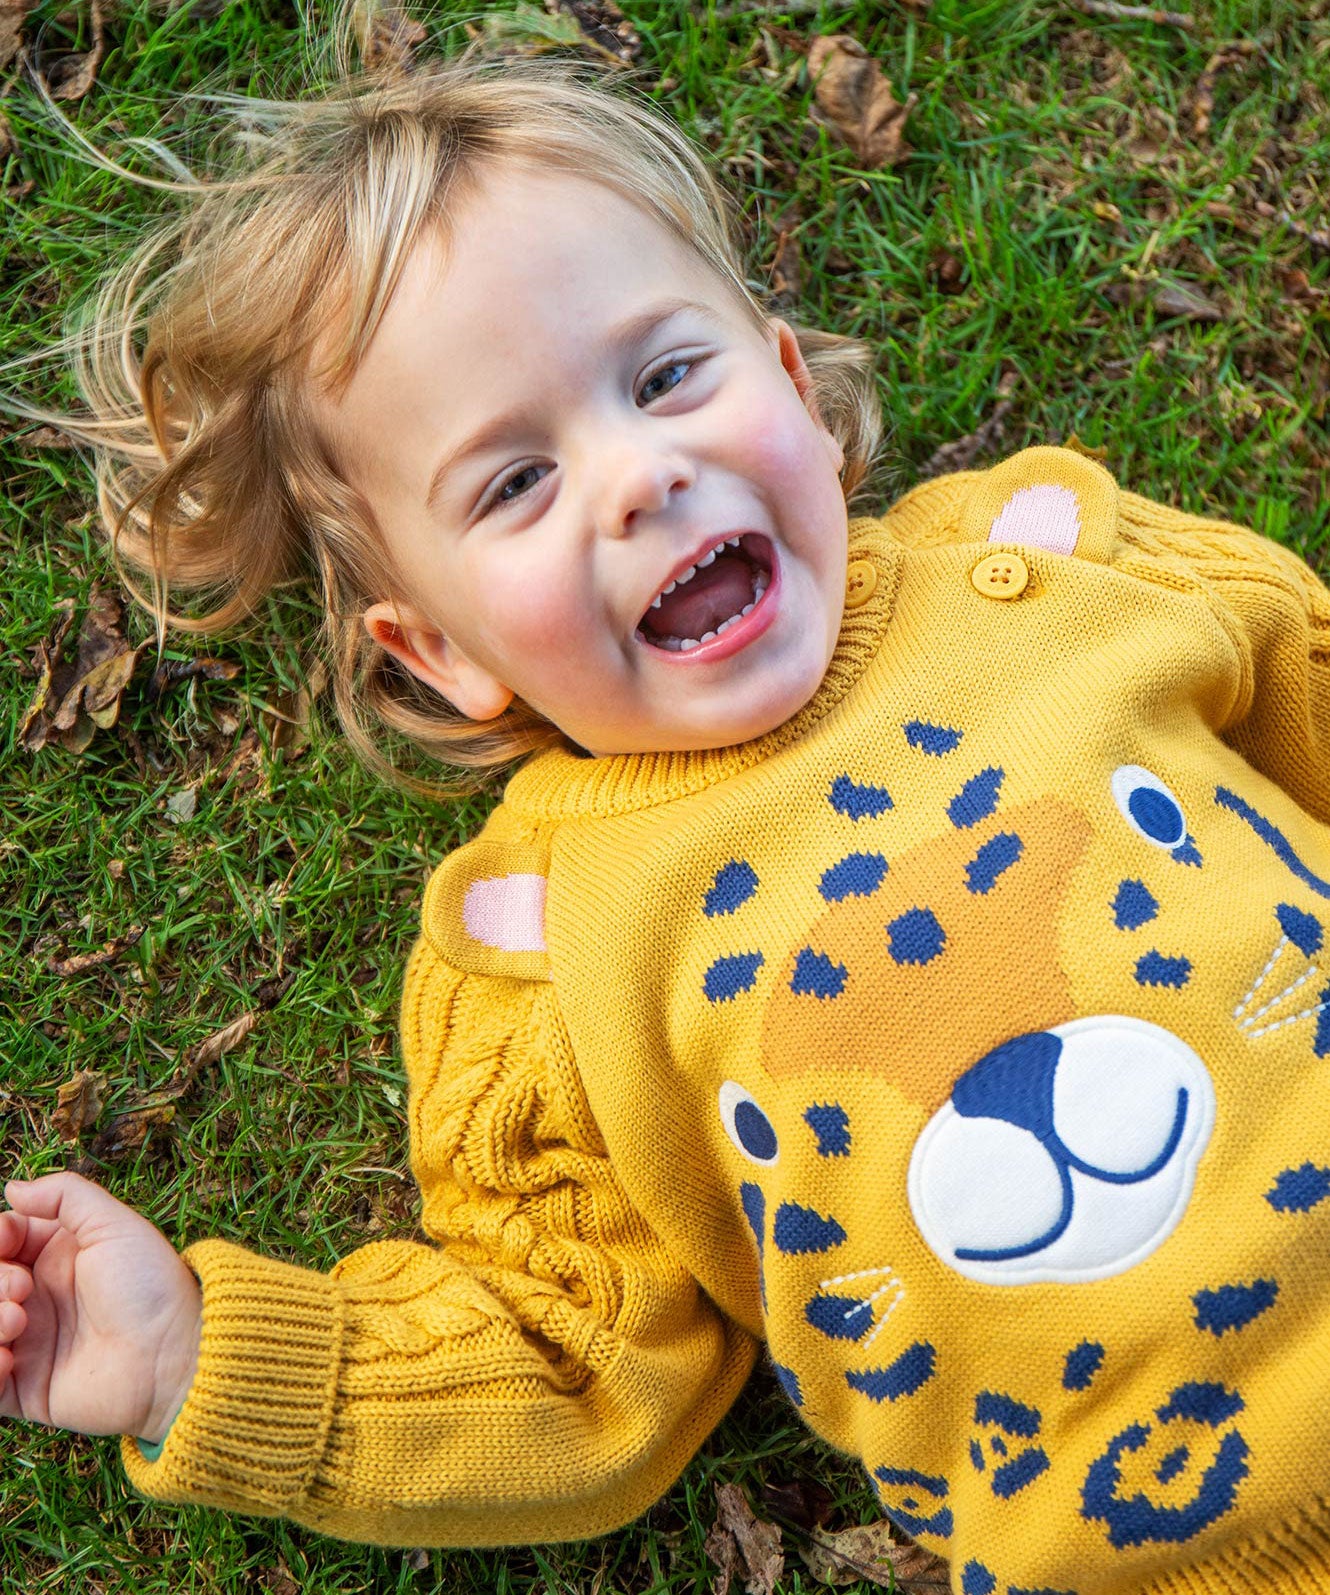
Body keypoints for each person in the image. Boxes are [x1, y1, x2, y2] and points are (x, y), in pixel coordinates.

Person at [4, 22, 1329, 1595]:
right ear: (440, 652)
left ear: (787, 380)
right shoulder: (542, 965)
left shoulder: (1069, 566)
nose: (636, 476)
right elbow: (568, 1368)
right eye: (511, 484)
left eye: (665, 375)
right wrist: (195, 1358)